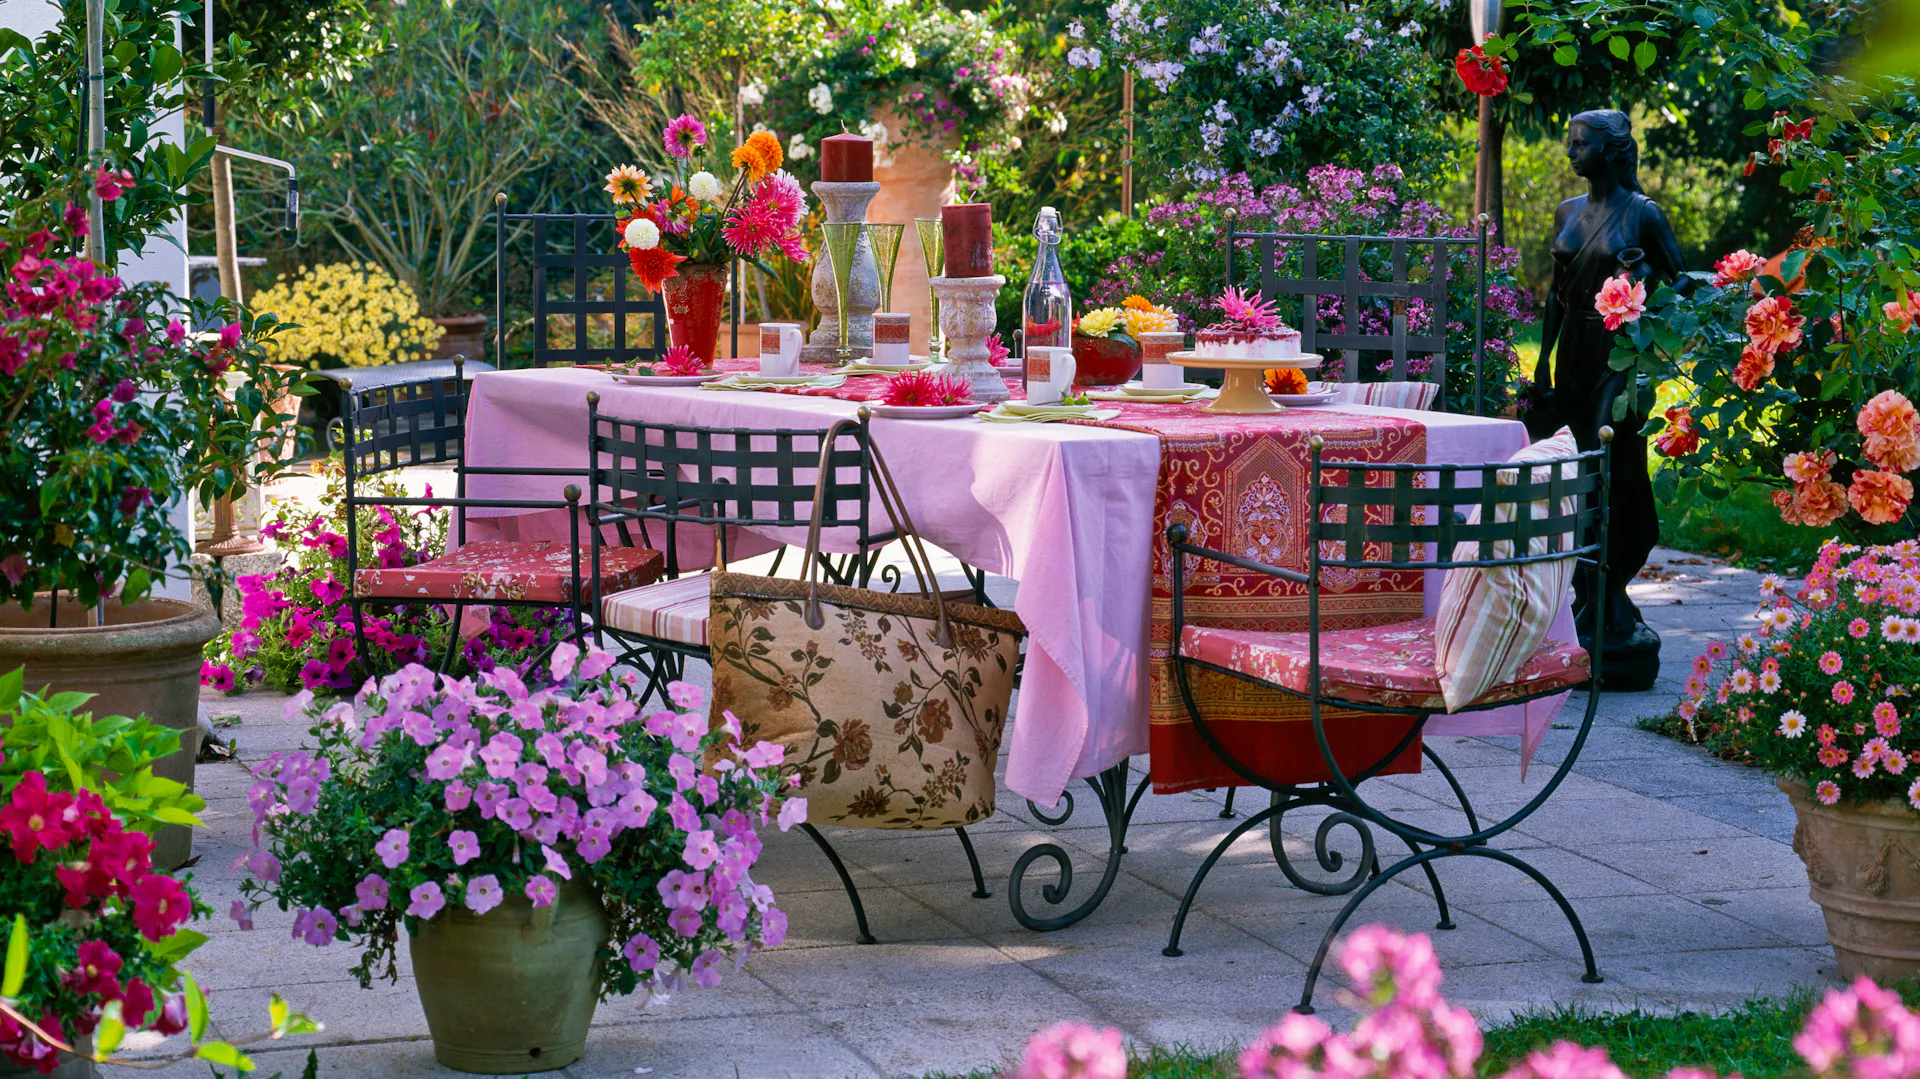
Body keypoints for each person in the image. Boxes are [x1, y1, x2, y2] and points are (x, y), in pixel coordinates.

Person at [1531, 109, 1685, 691]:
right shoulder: (1567, 213)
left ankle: (1612, 592)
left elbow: (1679, 285)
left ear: (1611, 151)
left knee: (1610, 471)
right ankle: (1588, 596)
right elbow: (1554, 296)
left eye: (1581, 144)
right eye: (1569, 142)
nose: (1570, 152)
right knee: (1570, 476)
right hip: (1572, 355)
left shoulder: (1643, 215)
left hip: (1619, 362)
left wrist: (1646, 281)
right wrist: (1541, 361)